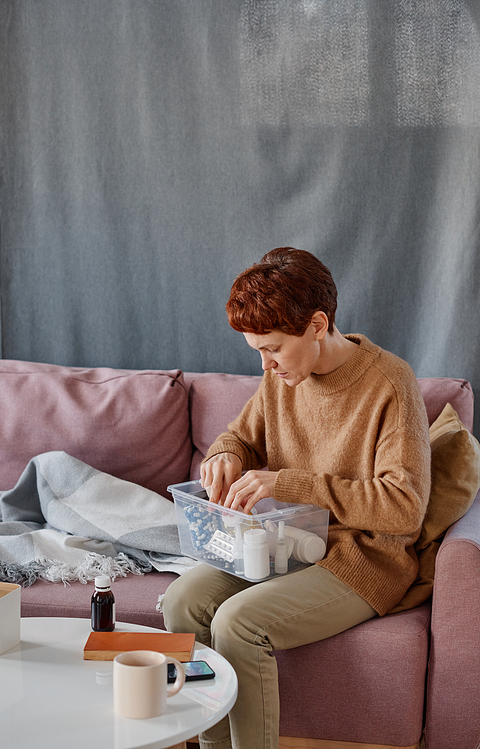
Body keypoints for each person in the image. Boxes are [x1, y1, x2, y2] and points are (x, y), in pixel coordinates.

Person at [161, 247, 431, 749]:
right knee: (182, 602)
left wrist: (287, 482)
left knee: (238, 624)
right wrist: (223, 456)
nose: (265, 365)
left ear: (317, 325)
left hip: (365, 558)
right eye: (256, 351)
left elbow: (404, 507)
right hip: (287, 541)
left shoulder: (390, 383)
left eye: (273, 348)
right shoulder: (280, 378)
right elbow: (239, 438)